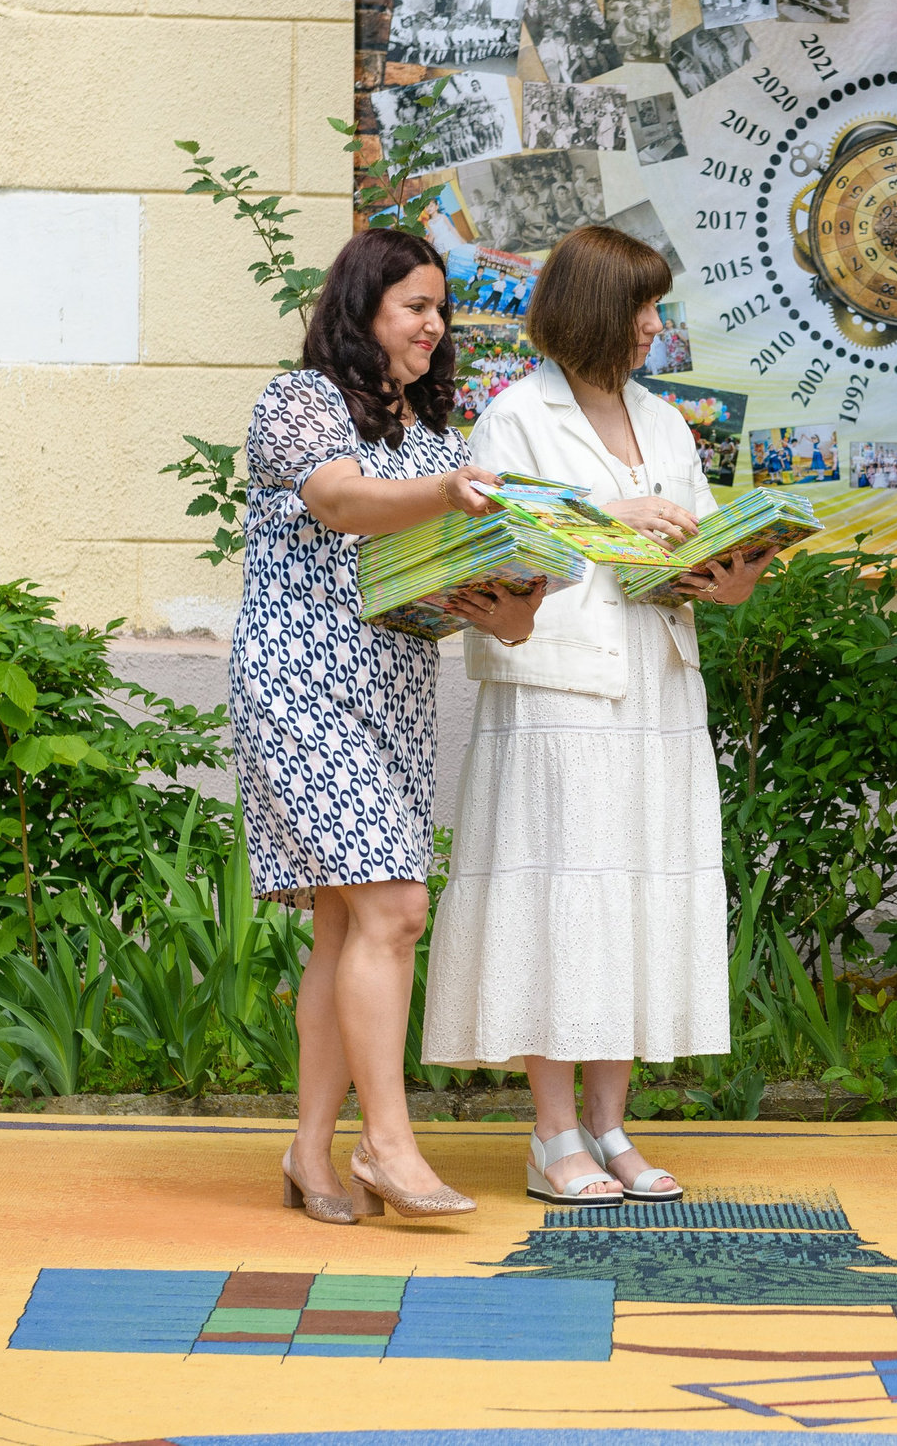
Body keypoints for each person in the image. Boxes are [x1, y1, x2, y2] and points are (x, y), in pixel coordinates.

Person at [423, 223, 777, 1205]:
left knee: (633, 899)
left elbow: (698, 548)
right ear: (596, 312)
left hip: (658, 683)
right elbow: (494, 541)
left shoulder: (664, 423)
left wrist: (725, 573)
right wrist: (608, 518)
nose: (656, 325)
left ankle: (612, 1126)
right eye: (644, 308)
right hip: (558, 692)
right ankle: (551, 1135)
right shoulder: (513, 416)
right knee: (561, 900)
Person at [231, 226, 543, 1226]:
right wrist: (448, 497)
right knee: (397, 906)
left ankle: (310, 1155)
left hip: (395, 692)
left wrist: (513, 595)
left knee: (350, 919)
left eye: (441, 309)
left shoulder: (442, 441)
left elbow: (503, 613)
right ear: (363, 307)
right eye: (416, 305)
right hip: (300, 682)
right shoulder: (301, 401)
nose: (433, 325)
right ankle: (389, 1144)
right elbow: (339, 497)